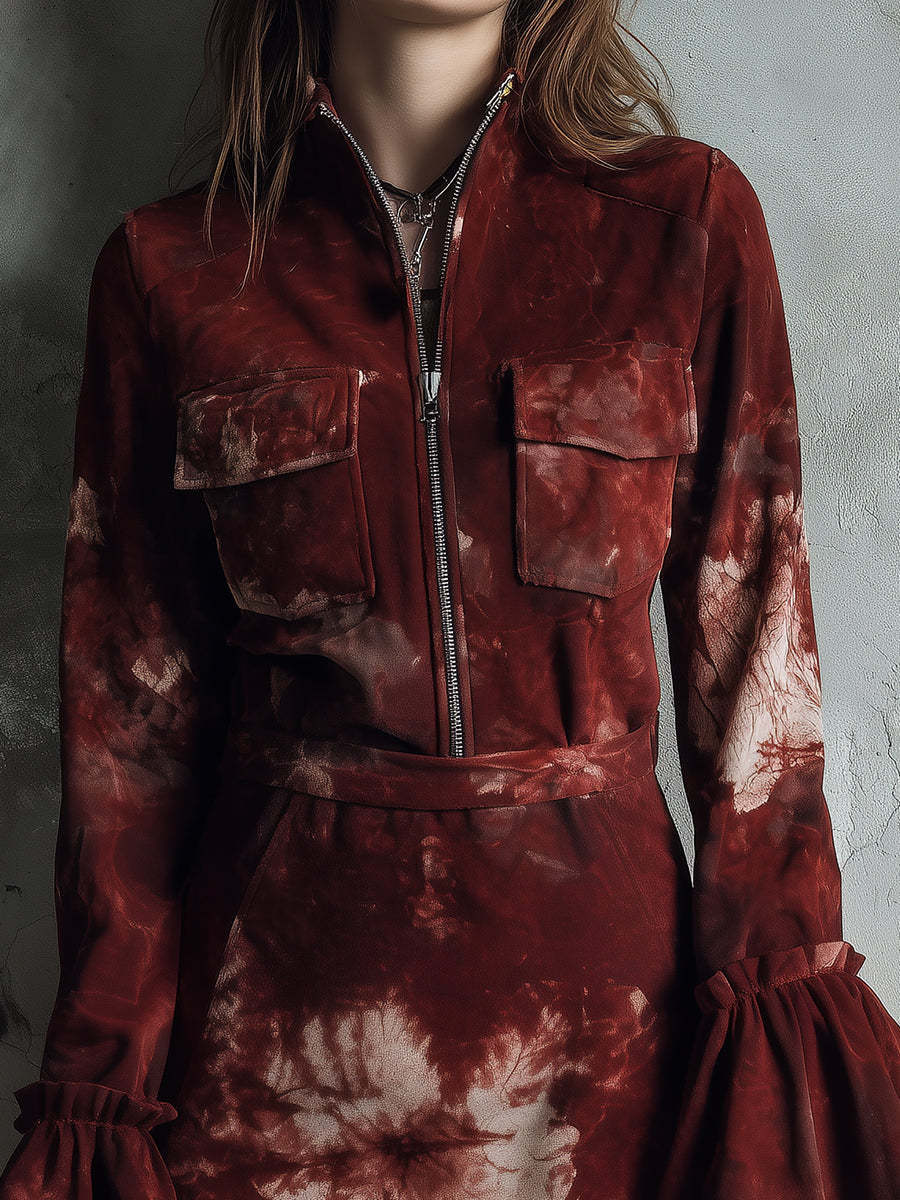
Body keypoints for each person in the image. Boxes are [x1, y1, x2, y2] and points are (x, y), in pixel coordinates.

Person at [2, 2, 899, 1197]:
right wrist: (102, 1079)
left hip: (608, 1056)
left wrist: (782, 1031)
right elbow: (129, 747)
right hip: (271, 1064)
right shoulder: (173, 267)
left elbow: (757, 681)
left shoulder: (682, 225)